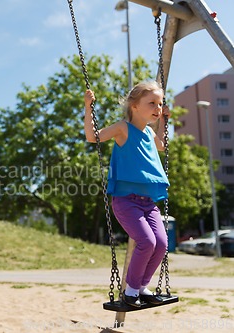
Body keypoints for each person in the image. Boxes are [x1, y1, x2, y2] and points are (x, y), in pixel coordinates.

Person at [84, 81, 170, 308]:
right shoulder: (123, 128)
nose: (157, 107)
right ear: (134, 106)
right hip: (126, 201)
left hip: (148, 203)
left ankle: (141, 287)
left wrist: (164, 121)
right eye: (152, 103)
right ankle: (131, 291)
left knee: (161, 244)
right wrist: (88, 107)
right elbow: (93, 137)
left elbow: (161, 145)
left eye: (159, 103)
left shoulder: (150, 132)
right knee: (146, 242)